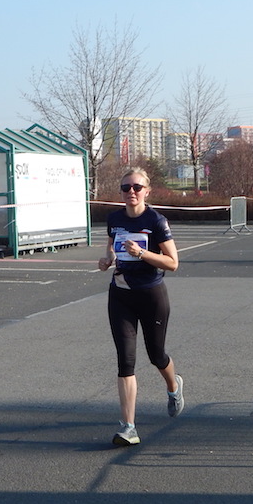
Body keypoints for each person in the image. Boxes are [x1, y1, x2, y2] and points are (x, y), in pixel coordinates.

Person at [97, 167, 182, 446]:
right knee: (125, 360)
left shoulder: (155, 221)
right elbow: (112, 246)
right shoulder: (115, 219)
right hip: (120, 294)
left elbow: (173, 263)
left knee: (156, 355)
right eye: (126, 188)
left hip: (151, 295)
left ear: (147, 191)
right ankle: (128, 427)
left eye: (136, 187)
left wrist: (143, 253)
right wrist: (107, 259)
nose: (131, 192)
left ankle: (173, 386)